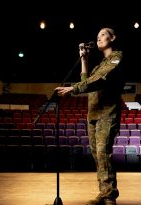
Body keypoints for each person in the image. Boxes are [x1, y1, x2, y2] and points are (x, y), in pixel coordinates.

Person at [54, 27, 124, 205]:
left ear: (112, 37)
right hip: (93, 114)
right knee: (97, 155)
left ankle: (109, 196)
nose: (98, 38)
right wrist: (84, 59)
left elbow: (99, 80)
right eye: (97, 35)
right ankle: (104, 192)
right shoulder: (99, 64)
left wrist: (73, 89)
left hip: (107, 115)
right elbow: (86, 78)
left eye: (102, 34)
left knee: (102, 154)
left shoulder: (116, 58)